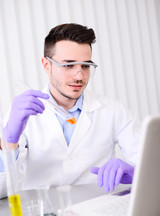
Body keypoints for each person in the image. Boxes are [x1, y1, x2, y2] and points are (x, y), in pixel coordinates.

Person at [0, 23, 141, 198]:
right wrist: (9, 140)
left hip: (97, 213)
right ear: (46, 65)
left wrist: (136, 173)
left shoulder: (112, 110)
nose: (79, 76)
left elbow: (151, 167)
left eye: (85, 66)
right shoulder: (22, 114)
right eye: (68, 65)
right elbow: (2, 190)